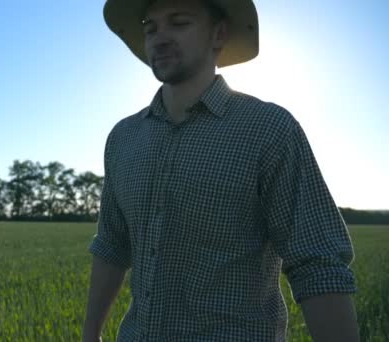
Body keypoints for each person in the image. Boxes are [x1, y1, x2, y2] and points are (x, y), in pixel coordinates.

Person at [82, 0, 359, 341]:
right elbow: (112, 244)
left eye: (179, 22)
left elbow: (317, 264)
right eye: (151, 28)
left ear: (219, 34)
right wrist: (90, 334)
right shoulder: (124, 138)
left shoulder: (268, 129)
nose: (160, 37)